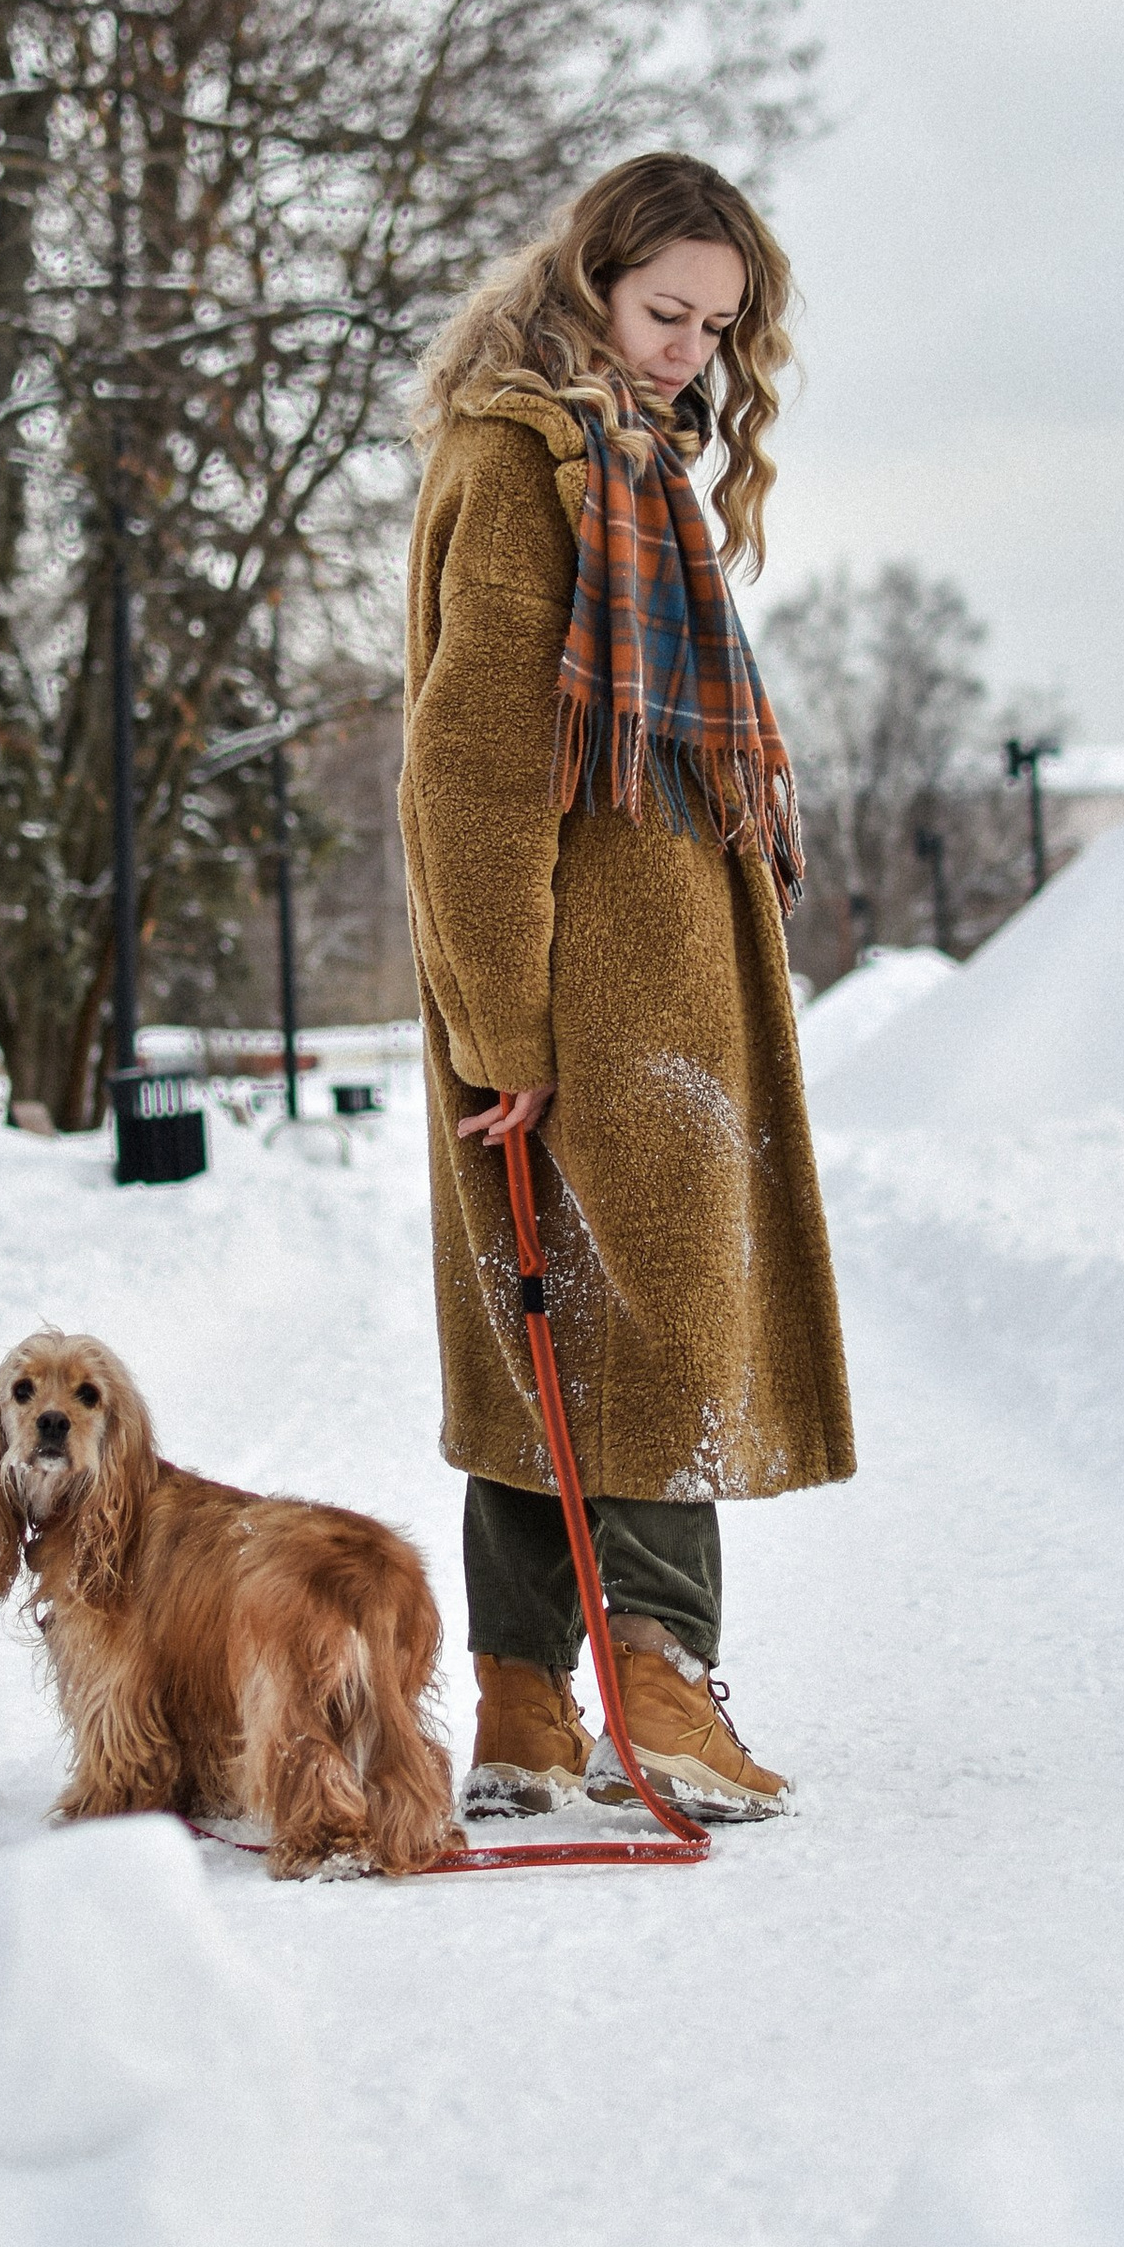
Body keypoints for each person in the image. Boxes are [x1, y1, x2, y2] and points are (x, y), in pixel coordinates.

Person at [396, 152, 856, 1824]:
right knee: (650, 1333)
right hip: (591, 993)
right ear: (589, 279)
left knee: (550, 1333)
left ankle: (522, 1706)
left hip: (624, 974)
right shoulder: (533, 460)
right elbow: (472, 761)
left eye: (719, 329)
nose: (688, 354)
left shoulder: (613, 461)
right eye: (664, 312)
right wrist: (504, 1022)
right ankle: (660, 1686)